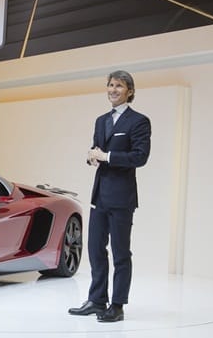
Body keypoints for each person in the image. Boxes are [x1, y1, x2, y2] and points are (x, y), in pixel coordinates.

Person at [68, 70, 151, 322]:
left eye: (119, 86)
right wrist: (92, 156)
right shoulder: (101, 120)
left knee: (120, 252)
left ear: (130, 92)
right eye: (110, 85)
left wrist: (108, 157)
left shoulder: (139, 121)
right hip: (99, 196)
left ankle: (117, 305)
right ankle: (96, 300)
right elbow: (97, 149)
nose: (113, 90)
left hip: (122, 198)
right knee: (94, 249)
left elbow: (140, 157)